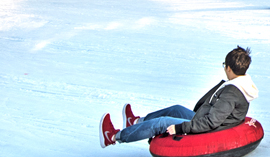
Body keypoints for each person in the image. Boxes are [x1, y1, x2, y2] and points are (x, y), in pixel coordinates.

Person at [100, 47, 258, 147]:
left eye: (224, 66)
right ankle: (136, 122)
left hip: (208, 129)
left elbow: (211, 122)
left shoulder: (232, 92)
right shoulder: (242, 83)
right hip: (209, 119)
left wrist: (180, 128)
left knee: (162, 123)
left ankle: (113, 137)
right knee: (176, 109)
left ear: (229, 68)